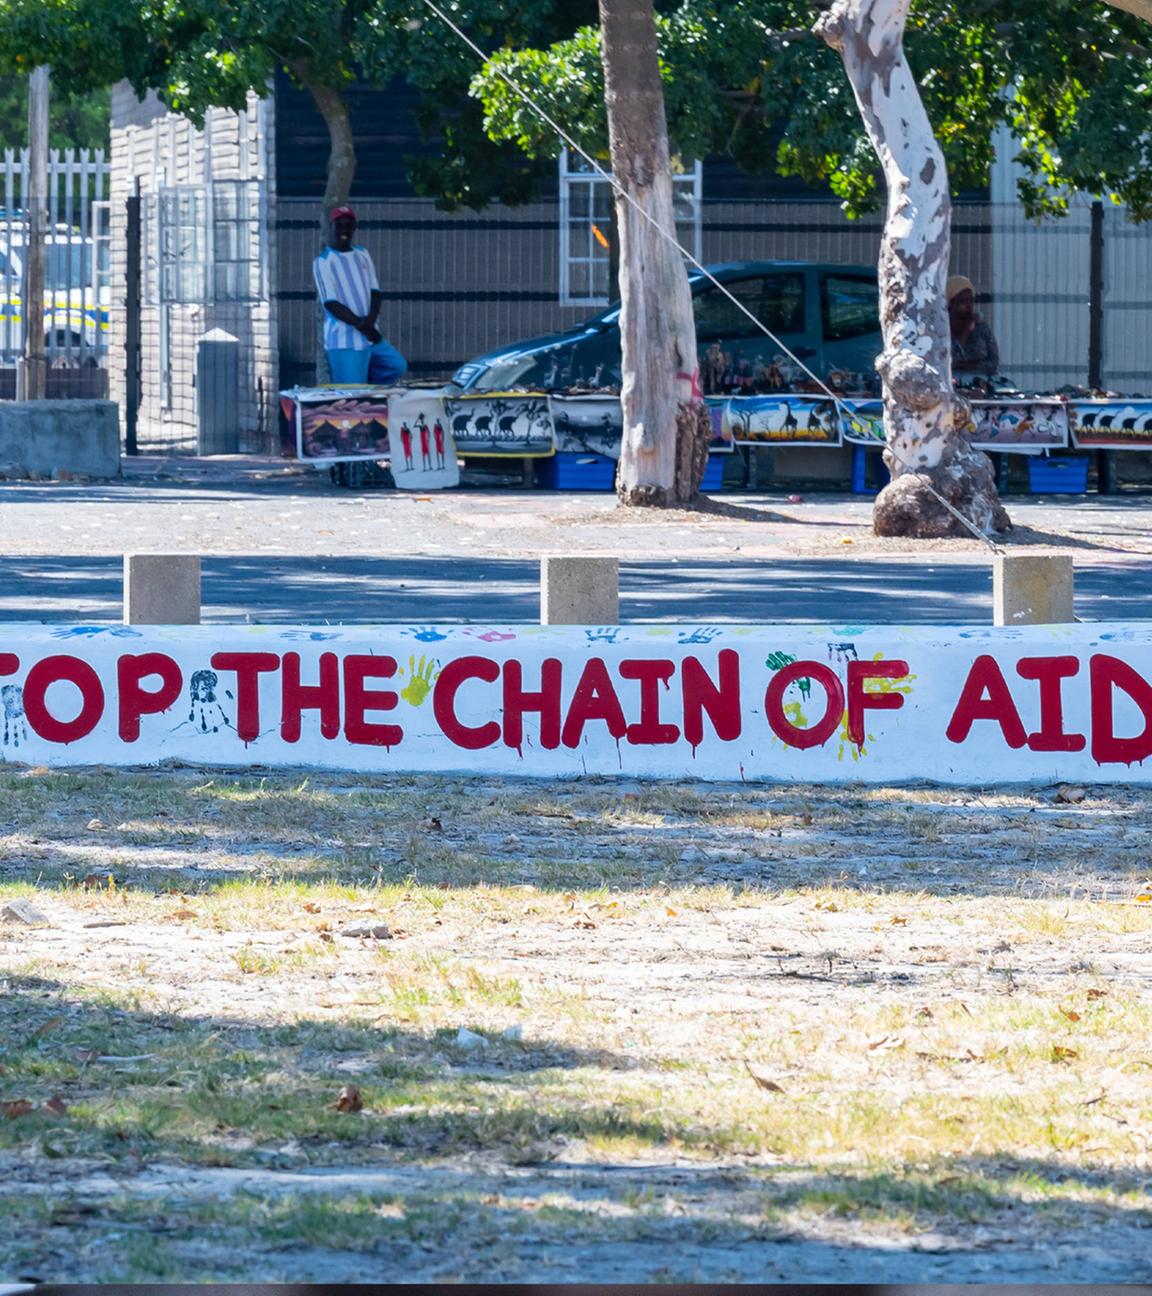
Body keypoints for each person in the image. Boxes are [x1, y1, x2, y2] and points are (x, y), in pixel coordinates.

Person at [313, 205, 407, 386]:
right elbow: (331, 303)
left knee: (396, 365)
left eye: (349, 225)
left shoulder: (363, 254)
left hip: (370, 336)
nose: (344, 230)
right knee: (352, 395)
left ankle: (367, 388)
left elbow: (375, 291)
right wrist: (362, 325)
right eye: (339, 225)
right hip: (344, 342)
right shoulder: (323, 261)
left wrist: (370, 323)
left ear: (355, 227)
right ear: (331, 227)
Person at [947, 275, 1000, 376]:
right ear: (951, 302)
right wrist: (966, 332)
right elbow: (950, 361)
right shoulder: (942, 331)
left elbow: (993, 363)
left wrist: (967, 366)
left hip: (981, 381)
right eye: (963, 301)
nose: (969, 306)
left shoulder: (981, 328)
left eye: (971, 301)